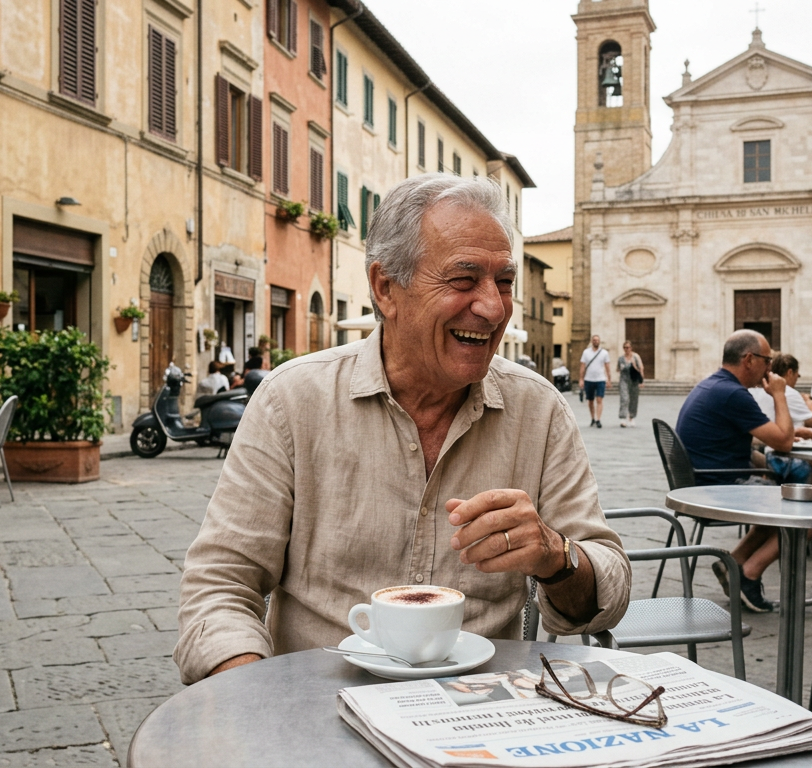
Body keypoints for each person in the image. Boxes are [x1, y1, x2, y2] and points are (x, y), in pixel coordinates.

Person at [174, 174, 630, 685]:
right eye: (464, 279)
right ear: (386, 289)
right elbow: (218, 588)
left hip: (481, 719)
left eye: (504, 281)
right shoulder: (292, 400)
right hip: (320, 711)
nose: (494, 307)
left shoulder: (539, 410)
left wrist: (555, 554)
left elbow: (606, 593)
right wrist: (257, 699)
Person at [675, 330, 812, 612]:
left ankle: (734, 563)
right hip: (719, 487)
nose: (770, 368)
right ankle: (749, 574)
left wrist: (785, 433)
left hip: (703, 480)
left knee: (787, 493)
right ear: (749, 359)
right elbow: (783, 442)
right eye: (767, 360)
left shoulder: (714, 385)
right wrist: (780, 393)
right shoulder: (733, 393)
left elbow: (763, 437)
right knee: (810, 512)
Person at [747, 353, 812, 484]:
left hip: (758, 456)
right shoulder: (789, 392)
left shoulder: (753, 392)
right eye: (797, 376)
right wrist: (809, 404)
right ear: (790, 372)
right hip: (776, 455)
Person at [579, 335, 610, 428]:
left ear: (599, 341)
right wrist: (581, 379)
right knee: (590, 401)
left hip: (601, 379)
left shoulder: (604, 353)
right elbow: (582, 366)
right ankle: (592, 418)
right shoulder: (586, 352)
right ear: (591, 341)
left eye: (597, 340)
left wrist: (609, 379)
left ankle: (598, 419)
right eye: (594, 340)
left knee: (599, 399)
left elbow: (607, 367)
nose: (595, 341)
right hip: (589, 379)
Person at [616, 340, 643, 427]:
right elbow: (617, 369)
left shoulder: (636, 357)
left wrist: (641, 381)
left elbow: (641, 368)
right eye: (625, 347)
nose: (626, 349)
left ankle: (631, 417)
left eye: (628, 347)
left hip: (634, 380)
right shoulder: (621, 358)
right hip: (624, 380)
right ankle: (623, 418)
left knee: (633, 399)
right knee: (624, 398)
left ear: (631, 348)